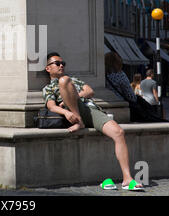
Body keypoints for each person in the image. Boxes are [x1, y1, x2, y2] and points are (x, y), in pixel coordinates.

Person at [43, 52, 144, 190]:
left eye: (63, 63)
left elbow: (89, 91)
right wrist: (66, 111)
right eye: (57, 63)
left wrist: (74, 96)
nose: (61, 65)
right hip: (72, 113)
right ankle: (79, 121)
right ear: (48, 68)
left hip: (89, 109)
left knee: (119, 132)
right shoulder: (48, 88)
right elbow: (51, 106)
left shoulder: (73, 80)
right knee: (63, 81)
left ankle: (127, 178)